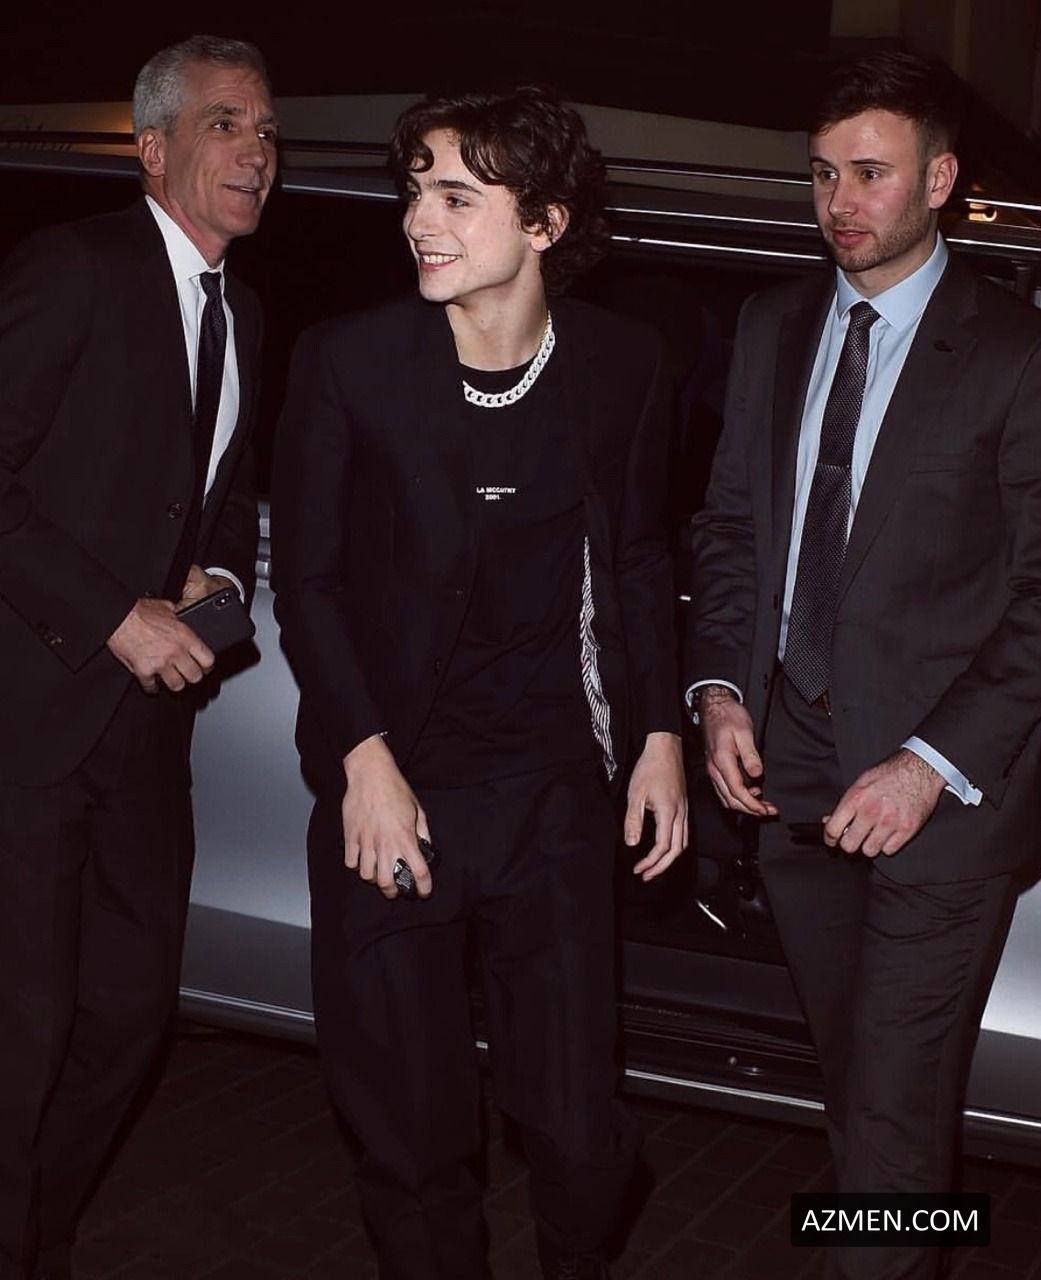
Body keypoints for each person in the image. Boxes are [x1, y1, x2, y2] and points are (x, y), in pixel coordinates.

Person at [272, 86, 686, 1280]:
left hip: (552, 794)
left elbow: (641, 555)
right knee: (410, 1127)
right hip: (395, 787)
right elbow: (310, 580)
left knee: (575, 1125)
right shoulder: (350, 362)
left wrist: (659, 732)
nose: (419, 219)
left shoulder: (623, 364)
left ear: (545, 222)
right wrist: (362, 760)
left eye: (456, 196)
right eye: (415, 190)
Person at [687, 50, 1041, 1279]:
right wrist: (719, 689)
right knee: (862, 1088)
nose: (841, 200)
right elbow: (732, 527)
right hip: (793, 772)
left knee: (890, 1110)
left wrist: (928, 761)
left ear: (939, 181)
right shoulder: (774, 325)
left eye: (872, 173)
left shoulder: (1014, 350)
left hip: (943, 799)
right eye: (824, 173)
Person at [0, 34, 275, 1280]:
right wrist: (113, 611)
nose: (257, 152)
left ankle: (37, 1227)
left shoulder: (244, 311)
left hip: (145, 741)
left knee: (128, 1012)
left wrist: (221, 580)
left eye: (265, 131)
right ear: (154, 148)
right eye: (227, 124)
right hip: (30, 719)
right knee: (23, 1029)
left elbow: (219, 499)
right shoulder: (74, 271)